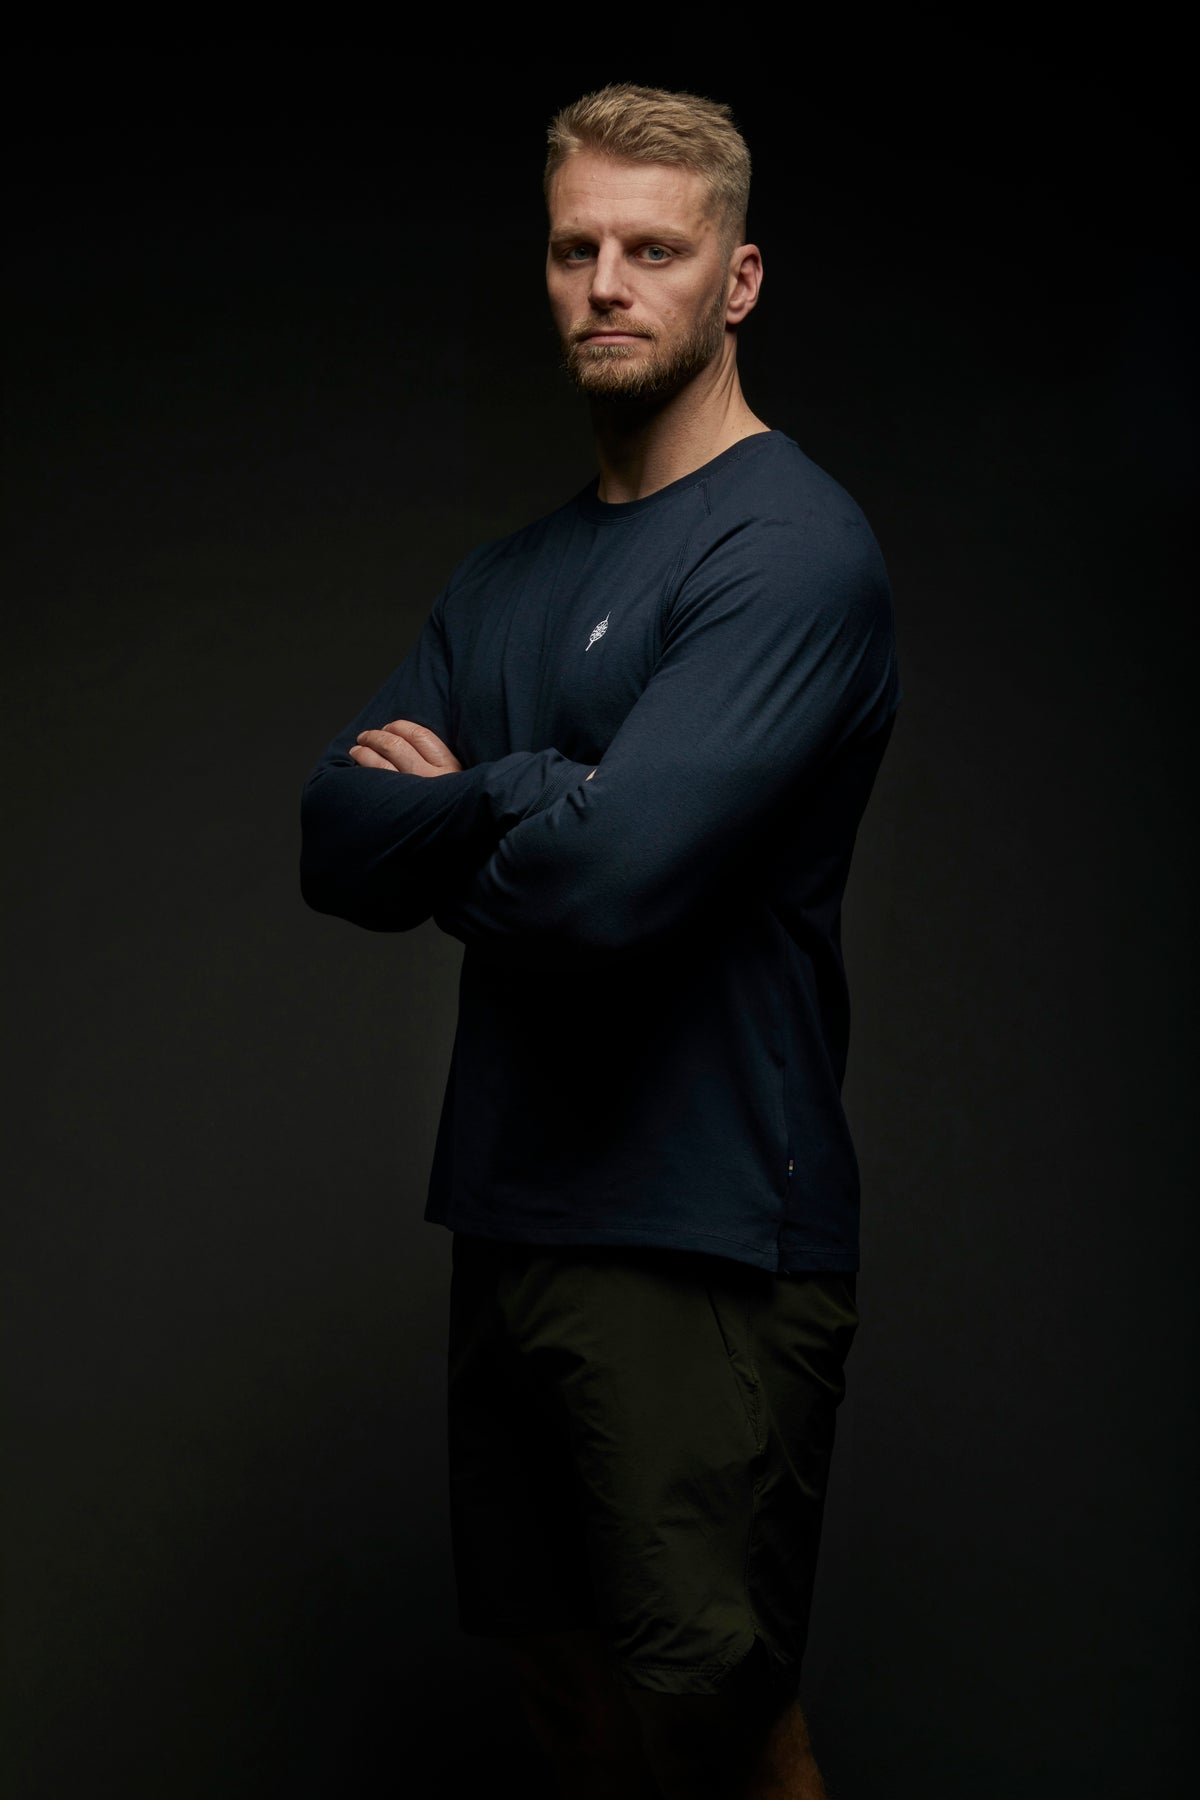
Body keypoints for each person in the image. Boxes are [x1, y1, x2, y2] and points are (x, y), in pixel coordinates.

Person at [301, 81, 901, 1800]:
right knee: (562, 1699)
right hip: (513, 1209)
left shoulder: (791, 550)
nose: (610, 284)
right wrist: (541, 793)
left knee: (713, 1721)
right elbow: (332, 839)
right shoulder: (503, 578)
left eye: (655, 249)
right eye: (578, 250)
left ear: (739, 278)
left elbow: (607, 888)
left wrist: (473, 803)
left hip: (702, 1232)